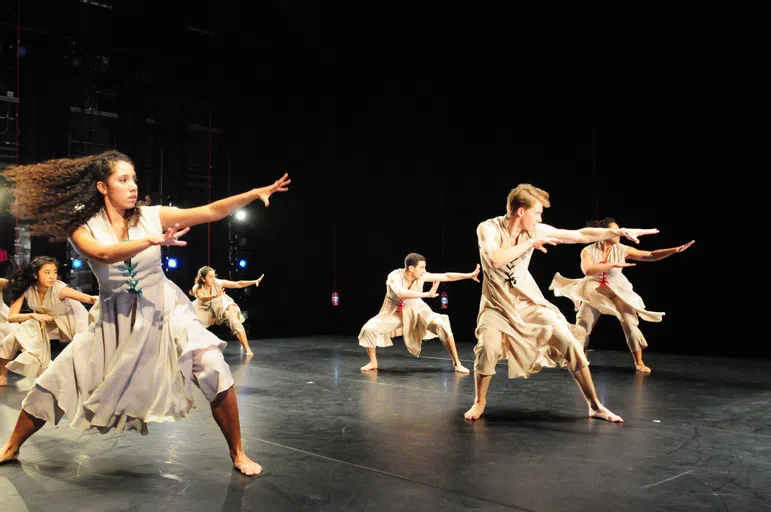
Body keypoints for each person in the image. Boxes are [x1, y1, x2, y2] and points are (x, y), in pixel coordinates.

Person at [0, 150, 289, 476]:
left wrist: (253, 193)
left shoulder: (152, 215)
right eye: (123, 180)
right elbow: (104, 254)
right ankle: (11, 447)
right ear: (102, 187)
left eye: (134, 178)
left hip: (165, 309)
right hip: (116, 319)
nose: (133, 185)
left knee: (211, 363)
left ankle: (238, 452)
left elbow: (209, 211)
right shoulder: (82, 226)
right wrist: (150, 241)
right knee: (58, 378)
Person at [464, 183, 658, 422]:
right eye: (537, 212)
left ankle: (595, 405)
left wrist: (619, 232)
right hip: (495, 304)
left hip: (528, 302)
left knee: (569, 342)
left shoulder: (535, 229)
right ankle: (479, 401)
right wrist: (528, 244)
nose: (540, 217)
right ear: (520, 211)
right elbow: (494, 259)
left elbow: (580, 235)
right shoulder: (488, 228)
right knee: (487, 348)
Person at [550, 217, 695, 373]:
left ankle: (639, 362)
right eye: (615, 231)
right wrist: (612, 264)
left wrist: (674, 250)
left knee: (630, 323)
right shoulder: (588, 250)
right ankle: (580, 359)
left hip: (616, 290)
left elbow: (650, 255)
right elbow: (587, 270)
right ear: (604, 233)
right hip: (593, 291)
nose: (620, 234)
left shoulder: (622, 249)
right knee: (582, 325)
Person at [358, 252, 480, 373]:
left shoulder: (422, 276)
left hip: (418, 309)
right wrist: (427, 294)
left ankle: (457, 363)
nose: (424, 270)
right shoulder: (394, 276)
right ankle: (373, 362)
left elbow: (446, 276)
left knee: (442, 325)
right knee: (369, 329)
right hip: (395, 312)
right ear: (411, 268)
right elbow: (401, 293)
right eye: (421, 267)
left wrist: (469, 275)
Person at [0, 256, 97, 385]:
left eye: (55, 272)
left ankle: (91, 382)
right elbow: (12, 317)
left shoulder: (59, 289)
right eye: (47, 272)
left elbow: (89, 299)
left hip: (72, 320)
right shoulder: (27, 289)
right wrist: (32, 316)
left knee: (85, 350)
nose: (52, 276)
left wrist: (98, 299)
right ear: (35, 275)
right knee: (12, 339)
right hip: (46, 321)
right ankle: (2, 376)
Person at [190, 266, 264, 356]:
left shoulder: (218, 283)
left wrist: (254, 281)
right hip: (205, 307)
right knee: (192, 321)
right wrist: (214, 296)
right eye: (210, 277)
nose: (213, 279)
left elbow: (237, 284)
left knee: (235, 323)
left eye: (214, 276)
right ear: (203, 279)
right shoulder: (197, 288)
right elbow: (202, 299)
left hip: (223, 304)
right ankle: (193, 349)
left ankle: (247, 349)